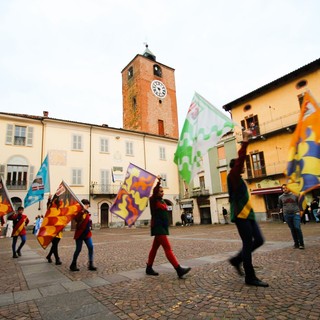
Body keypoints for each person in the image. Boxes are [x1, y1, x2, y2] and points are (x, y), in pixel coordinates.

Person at [227, 130, 269, 287]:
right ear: (236, 167)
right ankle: (250, 276)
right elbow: (240, 159)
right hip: (240, 215)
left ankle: (236, 259)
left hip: (248, 214)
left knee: (259, 240)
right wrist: (245, 140)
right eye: (241, 165)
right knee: (247, 242)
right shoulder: (232, 176)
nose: (244, 166)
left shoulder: (238, 179)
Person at [146, 176, 191, 278]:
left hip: (162, 228)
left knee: (154, 249)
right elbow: (154, 192)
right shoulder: (153, 201)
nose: (163, 193)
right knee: (168, 248)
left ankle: (149, 267)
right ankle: (178, 269)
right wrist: (158, 182)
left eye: (163, 191)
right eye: (161, 191)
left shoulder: (162, 201)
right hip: (158, 228)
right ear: (156, 192)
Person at [70, 199, 97, 272]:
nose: (88, 205)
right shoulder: (79, 212)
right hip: (80, 234)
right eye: (87, 204)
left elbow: (88, 221)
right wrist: (82, 211)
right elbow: (77, 219)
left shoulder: (87, 213)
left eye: (88, 204)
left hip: (87, 234)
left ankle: (90, 264)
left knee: (91, 247)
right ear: (83, 205)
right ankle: (73, 264)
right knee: (78, 249)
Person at [278, 184, 305, 249]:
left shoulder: (295, 195)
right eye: (283, 188)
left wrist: (300, 210)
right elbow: (280, 205)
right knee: (292, 229)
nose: (285, 189)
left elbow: (300, 203)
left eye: (286, 188)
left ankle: (301, 244)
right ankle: (296, 244)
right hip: (287, 214)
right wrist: (282, 211)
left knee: (297, 228)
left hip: (295, 213)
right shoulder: (280, 197)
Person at [45, 195, 62, 265]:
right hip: (52, 228)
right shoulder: (50, 207)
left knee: (55, 244)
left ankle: (49, 256)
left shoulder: (59, 208)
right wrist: (49, 199)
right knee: (55, 244)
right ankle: (57, 259)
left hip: (58, 228)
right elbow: (48, 206)